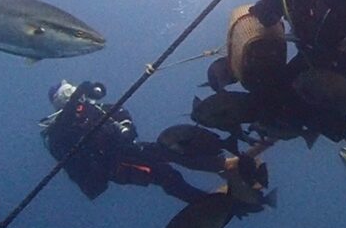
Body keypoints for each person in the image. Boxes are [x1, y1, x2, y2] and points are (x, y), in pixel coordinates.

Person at [40, 80, 222, 203]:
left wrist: (127, 128)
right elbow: (63, 132)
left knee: (171, 151)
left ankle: (222, 165)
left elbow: (118, 112)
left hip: (127, 148)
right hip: (112, 165)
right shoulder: (58, 131)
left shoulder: (92, 109)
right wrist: (77, 96)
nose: (80, 104)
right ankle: (206, 204)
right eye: (70, 94)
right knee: (165, 174)